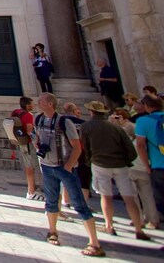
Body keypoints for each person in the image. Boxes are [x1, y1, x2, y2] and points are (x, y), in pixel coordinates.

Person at [35, 93, 104, 257]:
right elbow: (38, 139)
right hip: (47, 165)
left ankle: (94, 242)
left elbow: (77, 147)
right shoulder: (38, 119)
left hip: (63, 167)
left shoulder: (65, 122)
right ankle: (52, 231)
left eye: (42, 100)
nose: (38, 102)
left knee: (79, 203)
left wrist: (68, 166)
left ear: (51, 103)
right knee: (51, 200)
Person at [80, 100, 148, 240]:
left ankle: (109, 225)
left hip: (99, 163)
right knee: (129, 198)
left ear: (91, 112)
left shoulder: (86, 126)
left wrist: (89, 160)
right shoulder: (116, 127)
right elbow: (130, 148)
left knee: (105, 196)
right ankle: (138, 228)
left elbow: (85, 146)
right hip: (121, 165)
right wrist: (127, 161)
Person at [115, 107, 160, 230]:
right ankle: (153, 220)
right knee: (148, 196)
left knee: (133, 196)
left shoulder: (127, 141)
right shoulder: (145, 141)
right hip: (144, 169)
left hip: (130, 169)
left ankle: (138, 219)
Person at [134, 94, 164, 230]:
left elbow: (140, 145)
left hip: (157, 164)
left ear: (146, 106)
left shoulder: (143, 121)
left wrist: (146, 165)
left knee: (161, 200)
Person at [10, 96, 43, 201]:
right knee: (30, 167)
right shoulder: (28, 115)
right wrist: (36, 142)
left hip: (20, 142)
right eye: (31, 104)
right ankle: (31, 191)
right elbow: (29, 131)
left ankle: (31, 189)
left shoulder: (15, 113)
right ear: (27, 105)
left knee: (29, 166)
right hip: (28, 143)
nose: (33, 106)